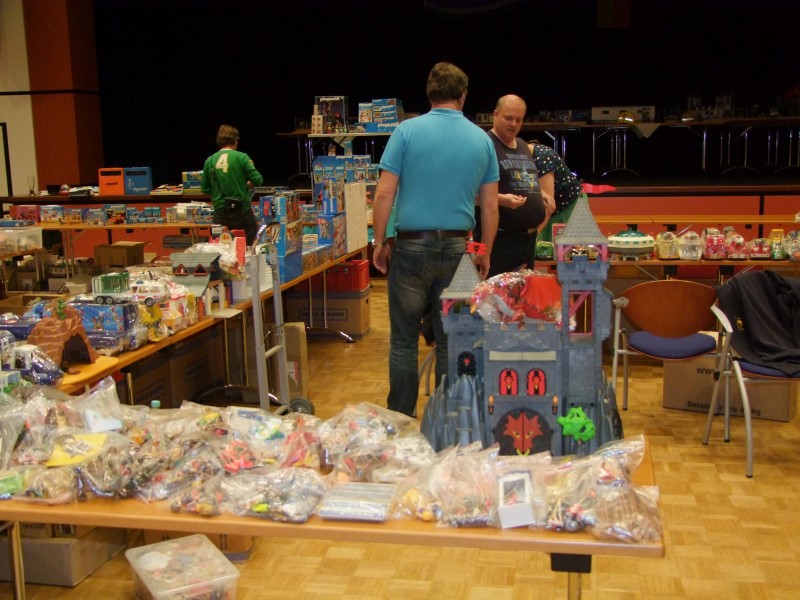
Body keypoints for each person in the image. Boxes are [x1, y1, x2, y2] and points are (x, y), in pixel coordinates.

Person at [371, 61, 499, 417]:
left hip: (410, 247)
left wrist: (379, 241)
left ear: (429, 94)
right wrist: (485, 250)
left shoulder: (405, 132)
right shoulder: (481, 140)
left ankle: (400, 417)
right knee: (449, 342)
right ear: (463, 96)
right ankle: (445, 419)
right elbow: (490, 207)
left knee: (403, 341)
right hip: (459, 249)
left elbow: (384, 193)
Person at [474, 95, 555, 277]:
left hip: (527, 241)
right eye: (509, 118)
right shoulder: (484, 146)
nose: (514, 124)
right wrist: (503, 200)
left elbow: (520, 179)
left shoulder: (523, 146)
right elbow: (469, 194)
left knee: (523, 294)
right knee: (495, 294)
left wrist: (539, 193)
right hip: (499, 242)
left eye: (519, 120)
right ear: (495, 115)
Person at [201, 124, 264, 245]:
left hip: (219, 213)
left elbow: (205, 189)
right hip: (241, 211)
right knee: (249, 245)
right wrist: (248, 183)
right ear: (235, 140)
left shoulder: (210, 160)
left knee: (221, 248)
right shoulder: (242, 157)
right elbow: (258, 180)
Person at [528, 139, 583, 243]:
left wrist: (530, 238)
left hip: (568, 208)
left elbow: (548, 206)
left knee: (563, 250)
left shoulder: (544, 157)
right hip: (544, 211)